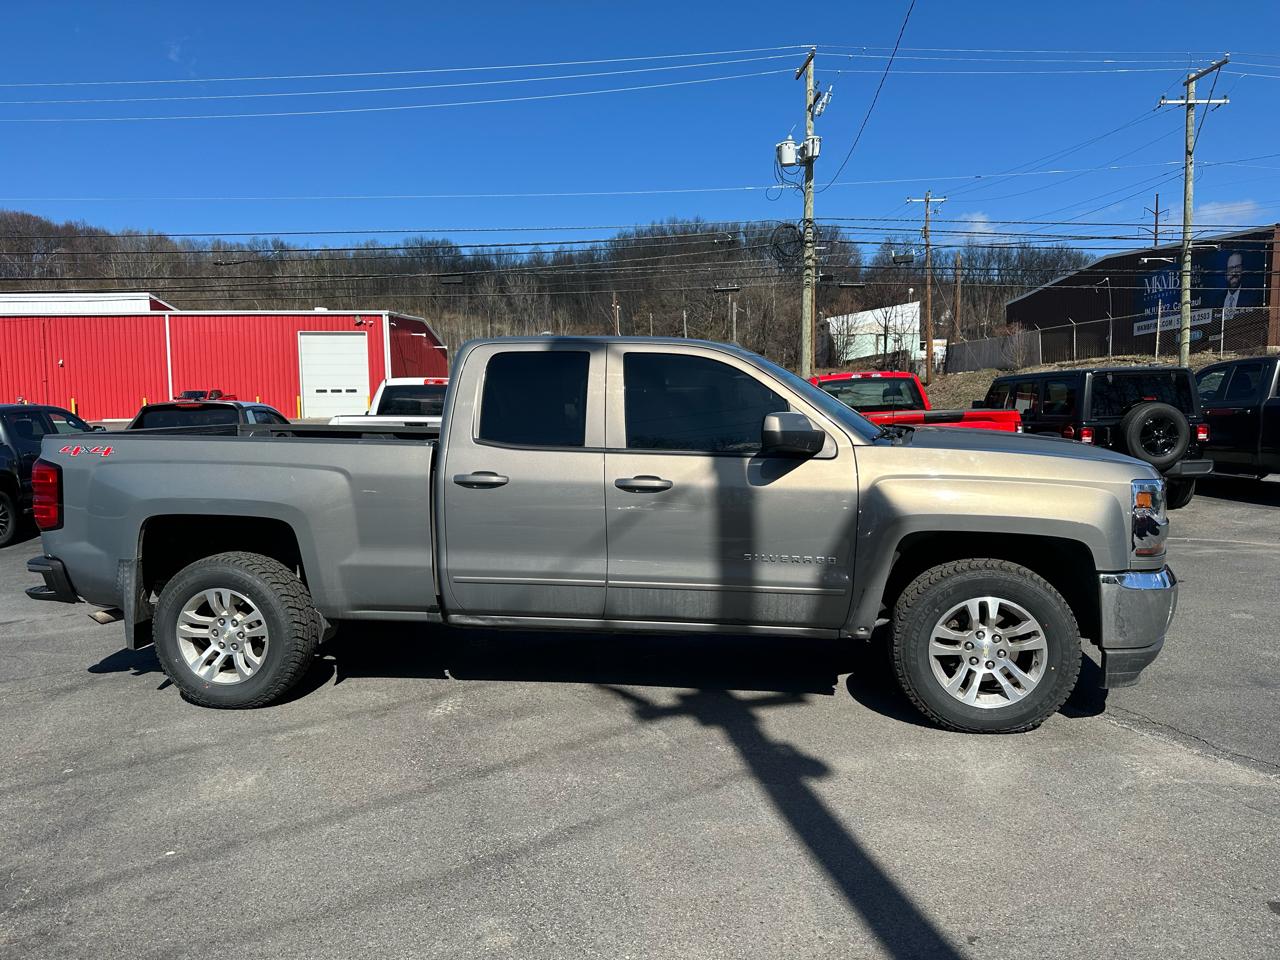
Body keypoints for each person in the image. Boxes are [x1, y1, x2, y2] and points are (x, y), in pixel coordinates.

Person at [1222, 251, 1243, 321]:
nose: (1234, 272)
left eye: (1237, 267)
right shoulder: (1217, 300)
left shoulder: (1253, 298)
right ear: (1225, 274)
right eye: (1231, 269)